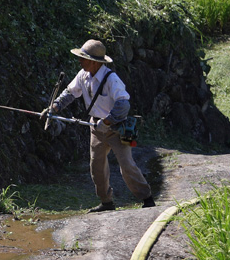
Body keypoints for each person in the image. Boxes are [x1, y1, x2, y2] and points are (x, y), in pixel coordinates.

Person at [42, 39, 155, 212]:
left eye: (83, 58)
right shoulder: (82, 75)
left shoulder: (112, 79)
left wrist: (108, 121)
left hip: (118, 128)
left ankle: (147, 198)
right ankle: (106, 202)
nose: (80, 61)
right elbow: (69, 93)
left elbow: (123, 104)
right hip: (95, 128)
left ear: (94, 61)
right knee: (97, 167)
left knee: (127, 165)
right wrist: (53, 107)